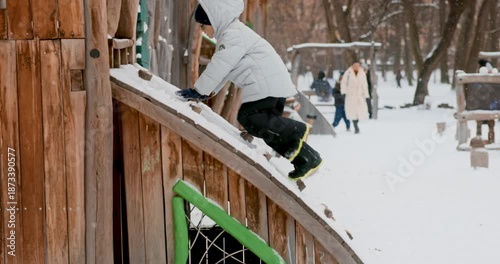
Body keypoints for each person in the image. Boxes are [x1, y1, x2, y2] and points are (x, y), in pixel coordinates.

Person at [175, 0, 322, 180]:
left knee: (249, 117)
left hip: (267, 85)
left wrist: (199, 90)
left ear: (214, 20)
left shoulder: (232, 35)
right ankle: (306, 159)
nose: (202, 30)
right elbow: (225, 69)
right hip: (271, 85)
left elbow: (219, 66)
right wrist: (206, 92)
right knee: (266, 131)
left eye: (203, 25)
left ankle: (296, 129)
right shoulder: (231, 34)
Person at [340, 62, 370, 134]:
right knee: (352, 112)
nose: (356, 67)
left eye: (357, 65)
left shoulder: (362, 73)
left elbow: (364, 85)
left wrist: (366, 95)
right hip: (351, 95)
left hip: (359, 96)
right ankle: (355, 126)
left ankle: (356, 123)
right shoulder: (348, 73)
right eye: (355, 65)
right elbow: (343, 83)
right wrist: (343, 92)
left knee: (360, 111)